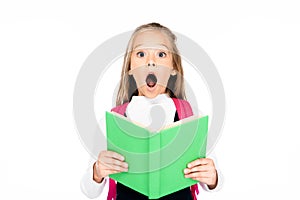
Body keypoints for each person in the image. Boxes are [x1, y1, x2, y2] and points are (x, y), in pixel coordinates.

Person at [81, 22, 223, 199]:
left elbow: (215, 182)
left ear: (173, 69)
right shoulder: (112, 121)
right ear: (130, 69)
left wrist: (212, 177)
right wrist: (97, 171)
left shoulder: (193, 118)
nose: (151, 61)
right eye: (141, 54)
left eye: (161, 54)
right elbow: (89, 190)